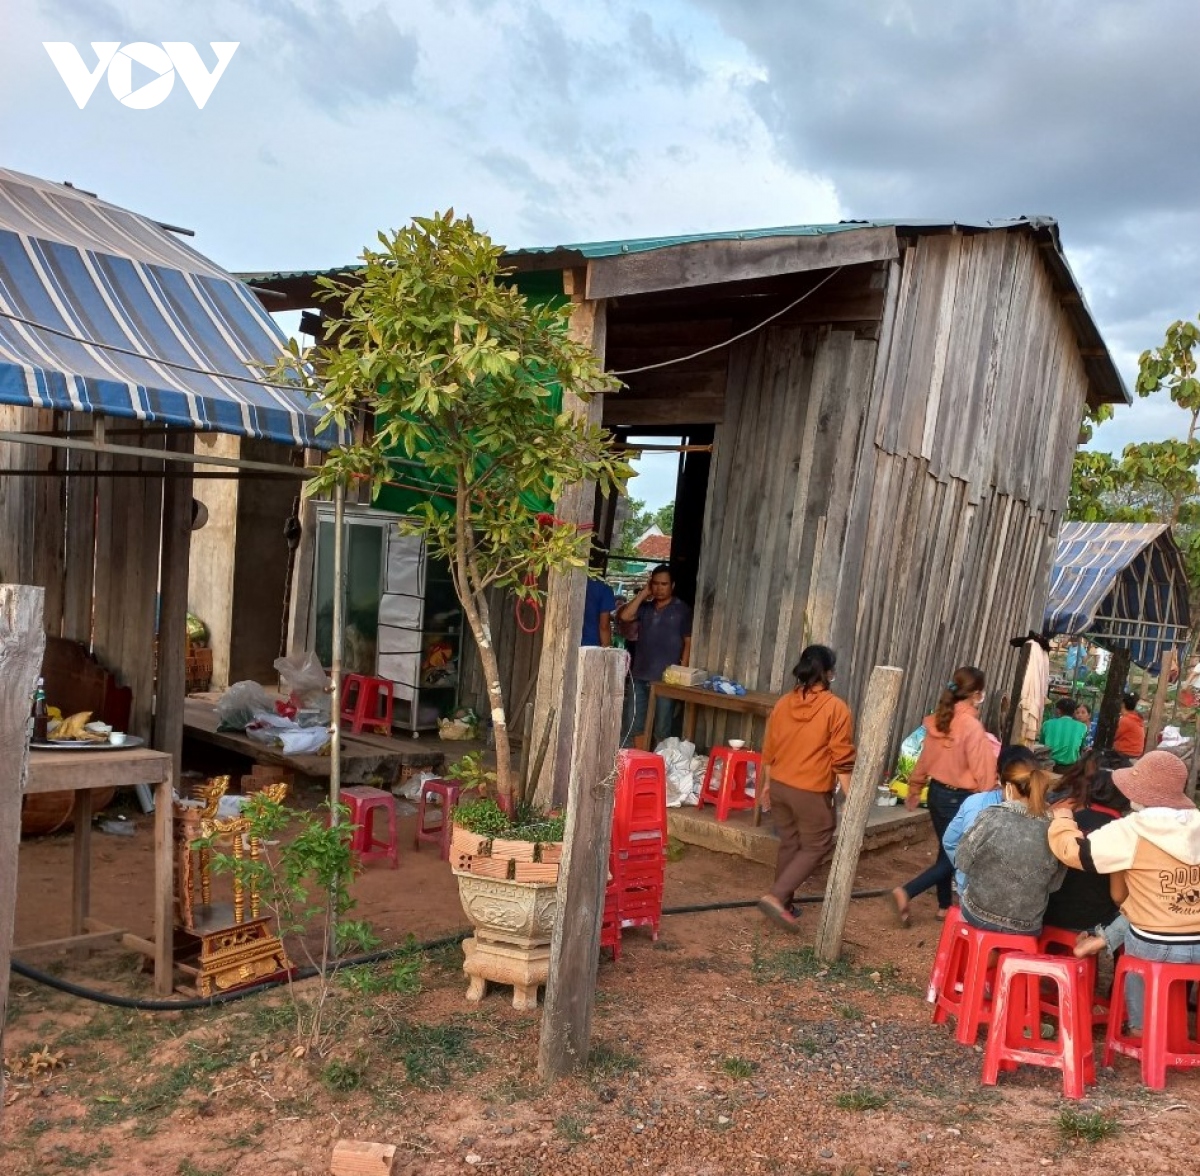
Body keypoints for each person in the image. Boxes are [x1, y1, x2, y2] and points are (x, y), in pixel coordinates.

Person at [1048, 751, 1200, 1033]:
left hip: (1156, 945)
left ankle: (1140, 1025)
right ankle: (1102, 941)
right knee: (1144, 910)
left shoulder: (1134, 828)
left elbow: (1076, 854)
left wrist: (1062, 819)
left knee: (1142, 929)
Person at [756, 645, 856, 931]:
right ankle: (776, 897)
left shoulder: (784, 703)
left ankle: (784, 903)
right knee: (817, 843)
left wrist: (767, 786)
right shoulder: (836, 708)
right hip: (810, 790)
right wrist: (851, 800)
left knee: (790, 842)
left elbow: (770, 749)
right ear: (827, 673)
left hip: (780, 785)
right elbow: (842, 759)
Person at [889, 666, 998, 926]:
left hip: (936, 793)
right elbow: (984, 770)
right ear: (976, 694)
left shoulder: (939, 719)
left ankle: (943, 906)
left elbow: (924, 759)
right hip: (961, 798)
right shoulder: (971, 726)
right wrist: (990, 800)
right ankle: (906, 892)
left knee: (946, 849)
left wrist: (915, 787)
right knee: (957, 855)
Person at [1040, 753, 1123, 934]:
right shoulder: (1122, 832)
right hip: (1089, 921)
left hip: (1049, 912)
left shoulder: (1065, 820)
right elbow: (1118, 896)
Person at [618, 564, 692, 748]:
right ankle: (640, 760)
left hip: (667, 679)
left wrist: (682, 672)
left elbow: (688, 642)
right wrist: (643, 594)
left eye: (664, 584)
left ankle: (660, 764)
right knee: (636, 724)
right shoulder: (645, 608)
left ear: (672, 585)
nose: (659, 588)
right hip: (640, 675)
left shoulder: (682, 610)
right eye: (656, 584)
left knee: (662, 728)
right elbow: (625, 616)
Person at [1040, 697, 1088, 767]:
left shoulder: (1047, 724)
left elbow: (1042, 745)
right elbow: (1081, 747)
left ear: (1058, 710)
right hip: (1071, 768)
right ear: (1074, 712)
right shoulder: (1083, 727)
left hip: (1049, 766)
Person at [581, 576, 617, 647]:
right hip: (591, 644)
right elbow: (604, 626)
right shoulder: (604, 589)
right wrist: (607, 648)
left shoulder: (564, 583)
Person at [1113, 692, 1146, 758]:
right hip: (1136, 753)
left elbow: (1113, 736)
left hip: (1125, 753)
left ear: (1123, 704)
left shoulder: (1125, 720)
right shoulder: (1136, 718)